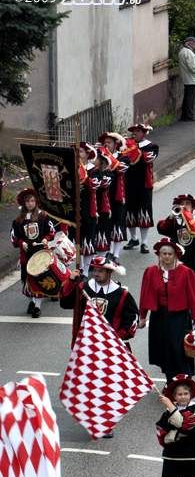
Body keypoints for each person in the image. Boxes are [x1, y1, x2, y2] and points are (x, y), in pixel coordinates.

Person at [60, 256, 139, 438]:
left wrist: (119, 337)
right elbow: (64, 302)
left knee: (108, 386)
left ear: (109, 272)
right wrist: (71, 281)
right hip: (87, 346)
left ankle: (105, 423)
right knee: (89, 384)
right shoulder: (83, 288)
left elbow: (133, 318)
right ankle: (92, 418)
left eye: (99, 270)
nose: (96, 273)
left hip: (111, 349)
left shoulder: (122, 294)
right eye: (94, 270)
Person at [138, 238, 195, 382]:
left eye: (170, 254)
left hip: (179, 318)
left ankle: (184, 379)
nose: (167, 257)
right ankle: (170, 380)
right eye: (164, 254)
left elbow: (193, 296)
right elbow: (145, 295)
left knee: (178, 349)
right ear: (160, 255)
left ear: (175, 255)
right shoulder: (151, 272)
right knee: (164, 349)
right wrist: (142, 317)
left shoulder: (186, 272)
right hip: (159, 317)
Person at [157, 194, 195, 319]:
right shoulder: (174, 222)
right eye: (182, 204)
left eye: (187, 204)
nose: (184, 206)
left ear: (193, 207)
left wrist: (188, 219)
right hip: (176, 267)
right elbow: (161, 228)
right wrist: (171, 217)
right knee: (178, 298)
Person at [11, 188, 56, 318]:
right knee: (26, 280)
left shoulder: (43, 216)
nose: (30, 203)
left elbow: (51, 231)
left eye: (32, 201)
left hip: (40, 254)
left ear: (36, 202)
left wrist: (46, 239)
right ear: (23, 203)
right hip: (26, 255)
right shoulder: (19, 219)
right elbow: (14, 236)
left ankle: (38, 306)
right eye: (27, 201)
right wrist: (21, 243)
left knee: (39, 279)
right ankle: (31, 302)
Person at [123, 123, 159, 254]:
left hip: (144, 185)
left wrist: (131, 148)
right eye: (134, 131)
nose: (135, 133)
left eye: (138, 131)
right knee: (129, 212)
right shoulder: (128, 146)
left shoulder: (152, 146)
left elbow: (147, 158)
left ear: (144, 133)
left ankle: (144, 242)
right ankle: (134, 238)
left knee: (144, 212)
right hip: (128, 184)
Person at [97, 132, 131, 264]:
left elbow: (120, 168)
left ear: (116, 144)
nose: (106, 145)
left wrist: (106, 155)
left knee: (118, 223)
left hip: (117, 196)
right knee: (105, 224)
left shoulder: (124, 158)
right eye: (104, 143)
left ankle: (116, 254)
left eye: (109, 142)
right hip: (103, 196)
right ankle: (106, 253)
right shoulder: (101, 157)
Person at [70, 143, 102, 280]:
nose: (78, 154)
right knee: (74, 241)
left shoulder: (95, 170)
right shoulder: (70, 169)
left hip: (88, 210)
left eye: (81, 151)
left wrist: (82, 175)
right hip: (72, 211)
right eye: (76, 151)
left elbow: (95, 184)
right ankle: (78, 269)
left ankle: (85, 270)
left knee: (87, 242)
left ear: (88, 154)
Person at [178, 36, 195, 122]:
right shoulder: (189, 53)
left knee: (187, 97)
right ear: (189, 44)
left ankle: (184, 115)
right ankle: (189, 116)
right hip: (191, 78)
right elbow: (192, 67)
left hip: (186, 78)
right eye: (194, 43)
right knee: (190, 97)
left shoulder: (182, 52)